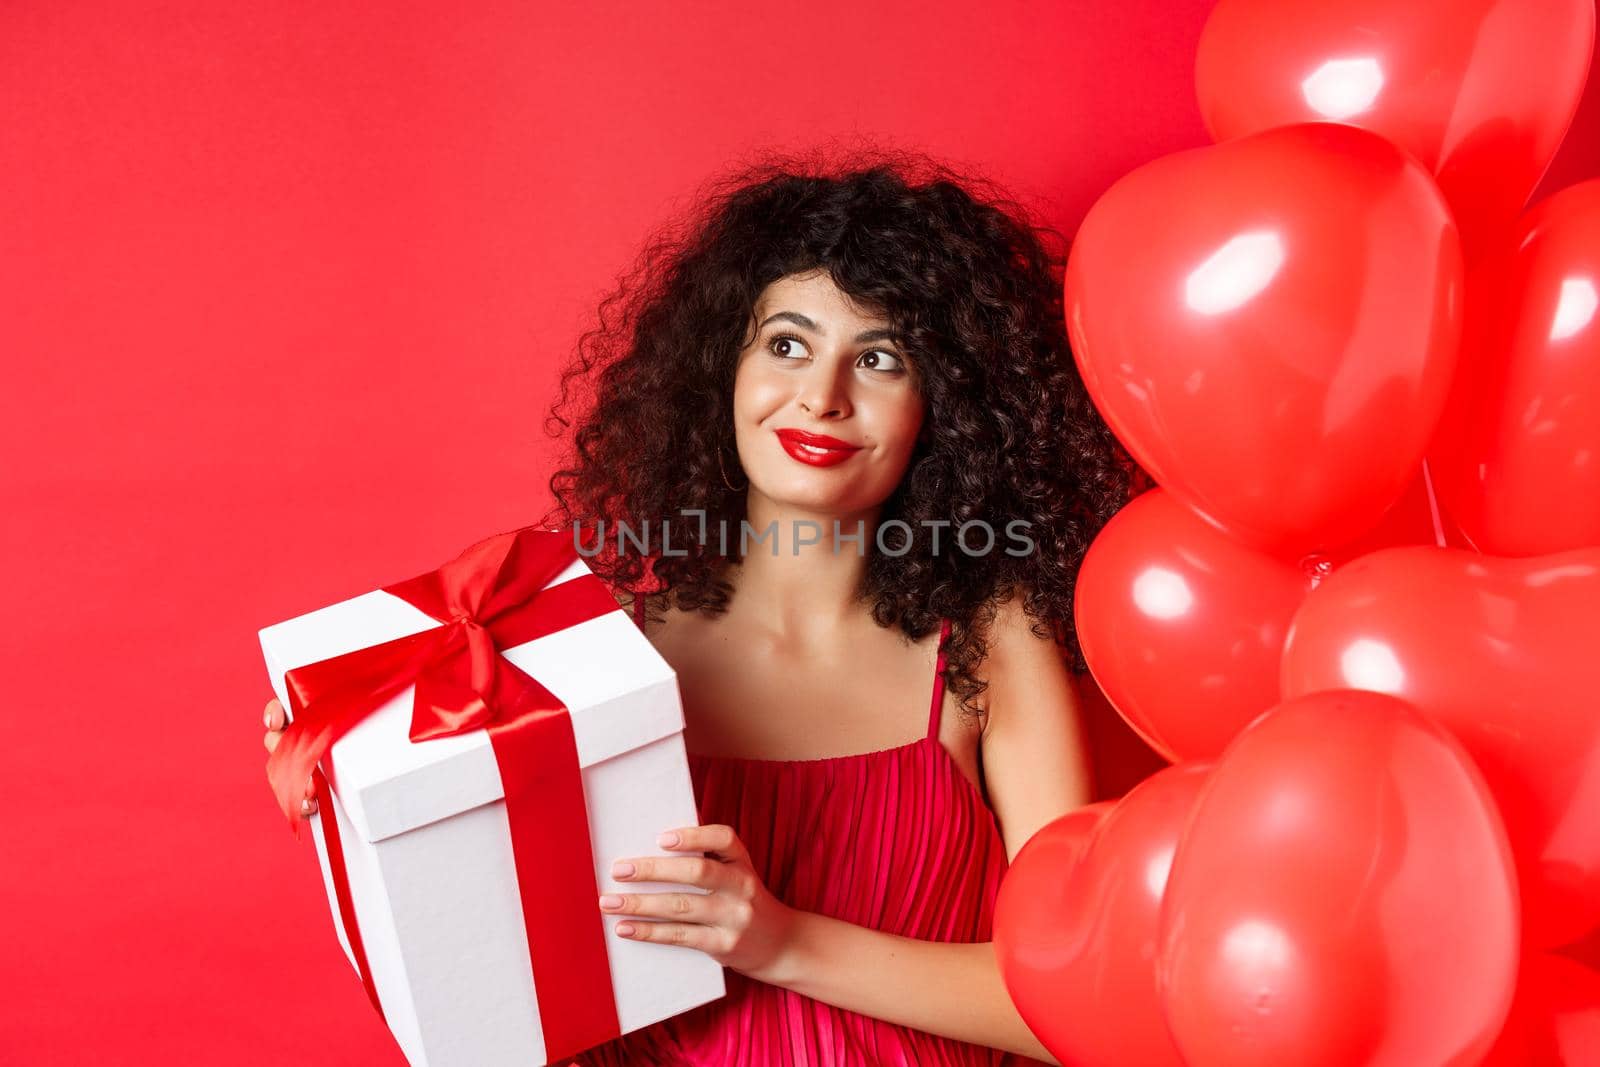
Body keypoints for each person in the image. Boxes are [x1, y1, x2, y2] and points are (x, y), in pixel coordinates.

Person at [263, 146, 1137, 1065]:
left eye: (878, 358)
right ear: (725, 367)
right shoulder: (596, 651)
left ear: (946, 406)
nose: (821, 397)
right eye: (787, 344)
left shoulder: (992, 642)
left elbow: (1071, 1002)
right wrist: (353, 792)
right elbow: (490, 992)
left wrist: (784, 943)